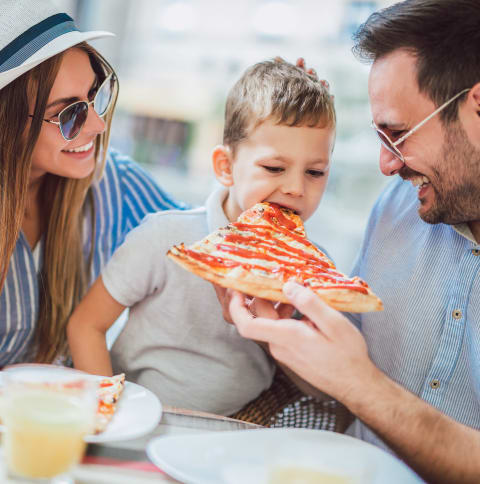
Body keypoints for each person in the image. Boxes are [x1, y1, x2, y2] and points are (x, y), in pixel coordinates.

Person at [221, 0, 480, 483]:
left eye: (398, 133)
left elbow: (358, 382)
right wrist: (280, 333)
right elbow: (338, 380)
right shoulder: (400, 206)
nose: (385, 164)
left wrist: (362, 385)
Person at [67, 57, 336, 414]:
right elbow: (86, 325)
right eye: (274, 168)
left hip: (237, 433)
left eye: (315, 172)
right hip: (138, 419)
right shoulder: (166, 237)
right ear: (225, 167)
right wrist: (106, 416)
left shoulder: (313, 270)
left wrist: (274, 331)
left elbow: (319, 389)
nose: (295, 188)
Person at [0, 0, 182, 367]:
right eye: (69, 114)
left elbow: (209, 240)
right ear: (7, 124)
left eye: (95, 95)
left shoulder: (112, 181)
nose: (98, 125)